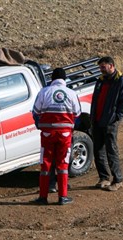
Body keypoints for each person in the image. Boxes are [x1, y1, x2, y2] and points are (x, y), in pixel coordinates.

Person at [32, 68, 81, 205]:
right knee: (62, 164)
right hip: (64, 134)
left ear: (52, 79)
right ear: (64, 79)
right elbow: (77, 113)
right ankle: (63, 197)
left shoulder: (43, 92)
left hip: (47, 134)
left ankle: (43, 197)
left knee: (46, 163)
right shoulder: (71, 93)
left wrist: (40, 125)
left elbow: (35, 112)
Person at [90, 56, 123, 191]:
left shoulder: (121, 81)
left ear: (111, 66)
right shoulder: (100, 81)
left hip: (110, 122)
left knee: (111, 150)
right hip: (97, 121)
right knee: (98, 151)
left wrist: (116, 117)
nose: (101, 69)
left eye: (103, 67)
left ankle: (118, 179)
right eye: (100, 67)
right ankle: (104, 178)